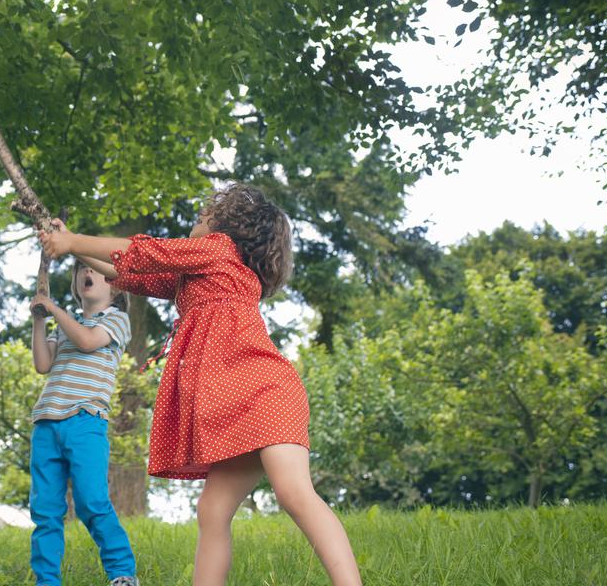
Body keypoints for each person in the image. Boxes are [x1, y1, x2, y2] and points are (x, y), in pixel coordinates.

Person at [40, 184, 361, 586]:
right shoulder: (191, 278)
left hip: (265, 392)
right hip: (235, 405)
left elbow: (146, 252)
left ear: (225, 229)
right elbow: (130, 272)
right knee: (212, 510)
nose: (197, 220)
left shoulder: (218, 250)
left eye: (204, 216)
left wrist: (70, 240)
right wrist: (71, 247)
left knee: (294, 492)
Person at [28, 259, 140, 586]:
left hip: (86, 423)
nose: (86, 274)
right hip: (47, 423)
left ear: (115, 287)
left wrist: (53, 308)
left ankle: (122, 572)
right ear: (76, 284)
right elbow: (42, 363)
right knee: (45, 512)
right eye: (80, 271)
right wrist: (39, 320)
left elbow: (88, 341)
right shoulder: (65, 323)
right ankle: (47, 581)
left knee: (92, 502)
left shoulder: (117, 320)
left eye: (95, 270)